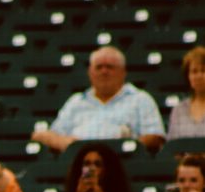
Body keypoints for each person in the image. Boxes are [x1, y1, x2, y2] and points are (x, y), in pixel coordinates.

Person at [31, 46, 166, 154]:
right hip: (79, 166)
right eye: (99, 67)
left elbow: (155, 137)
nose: (104, 72)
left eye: (110, 67)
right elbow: (51, 135)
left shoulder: (141, 99)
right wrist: (72, 145)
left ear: (123, 72)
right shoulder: (76, 101)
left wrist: (119, 148)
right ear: (90, 73)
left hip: (123, 164)